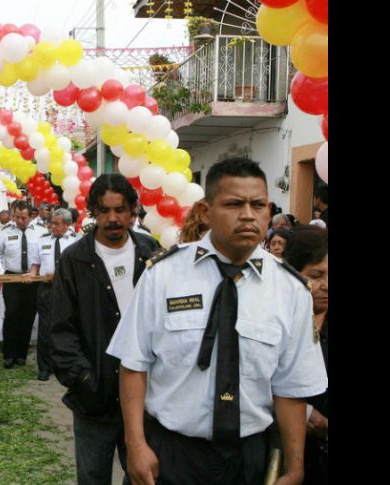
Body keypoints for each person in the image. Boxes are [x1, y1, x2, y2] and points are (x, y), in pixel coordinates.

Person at [107, 158, 328, 485]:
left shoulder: (290, 290)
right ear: (206, 212)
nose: (249, 215)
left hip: (249, 460)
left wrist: (294, 467)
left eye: (258, 205)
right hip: (171, 453)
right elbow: (134, 365)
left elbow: (290, 388)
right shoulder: (163, 276)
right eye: (234, 204)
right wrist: (135, 444)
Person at [50, 173, 159, 485]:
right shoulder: (75, 259)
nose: (113, 218)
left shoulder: (150, 251)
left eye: (120, 209)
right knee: (93, 477)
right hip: (94, 398)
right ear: (92, 211)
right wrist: (84, 378)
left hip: (146, 396)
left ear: (133, 210)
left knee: (145, 476)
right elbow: (61, 329)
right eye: (105, 210)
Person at [284, 225, 328, 485]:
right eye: (316, 275)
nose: (325, 286)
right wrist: (305, 412)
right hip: (283, 448)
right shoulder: (277, 321)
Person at [0, 200, 41, 369]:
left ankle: (21, 354)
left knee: (28, 316)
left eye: (23, 218)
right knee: (12, 315)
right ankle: (9, 355)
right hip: (12, 279)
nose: (20, 221)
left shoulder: (41, 232)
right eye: (17, 217)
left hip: (33, 279)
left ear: (31, 216)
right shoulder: (5, 232)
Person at [26, 208, 79, 381]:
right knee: (45, 328)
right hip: (46, 290)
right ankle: (44, 367)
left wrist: (59, 275)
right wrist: (31, 274)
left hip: (68, 290)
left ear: (67, 225)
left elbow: (78, 269)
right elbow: (35, 265)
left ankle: (64, 365)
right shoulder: (42, 241)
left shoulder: (76, 242)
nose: (53, 227)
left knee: (67, 326)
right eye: (51, 223)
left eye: (57, 224)